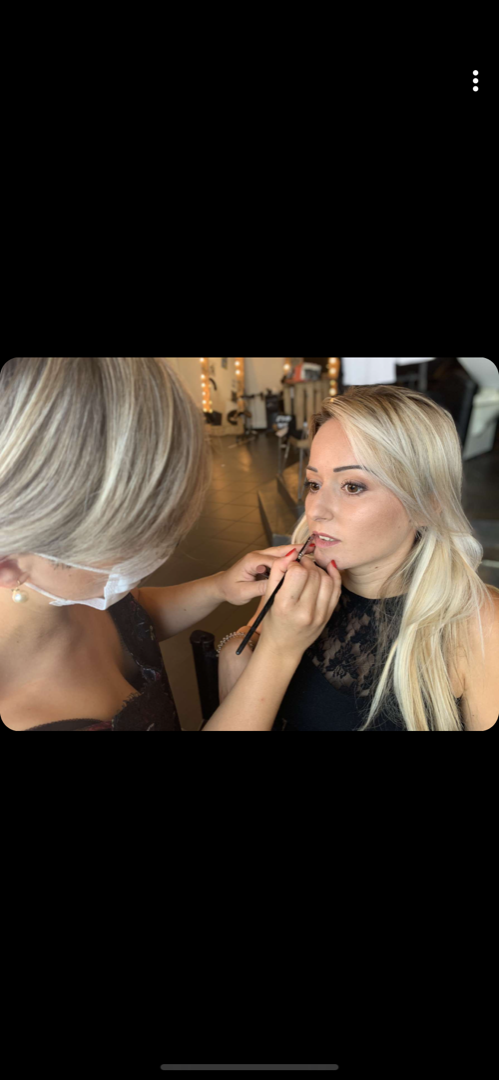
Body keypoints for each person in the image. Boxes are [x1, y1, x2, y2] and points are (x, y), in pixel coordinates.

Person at [0, 357, 339, 731]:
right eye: (130, 538)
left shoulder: (62, 591)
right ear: (8, 563)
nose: (157, 555)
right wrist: (278, 652)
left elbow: (133, 619)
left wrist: (219, 586)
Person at [219, 384, 499, 730]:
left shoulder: (480, 624)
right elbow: (248, 646)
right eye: (314, 484)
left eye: (352, 486)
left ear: (427, 505)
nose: (316, 511)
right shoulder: (298, 579)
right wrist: (239, 643)